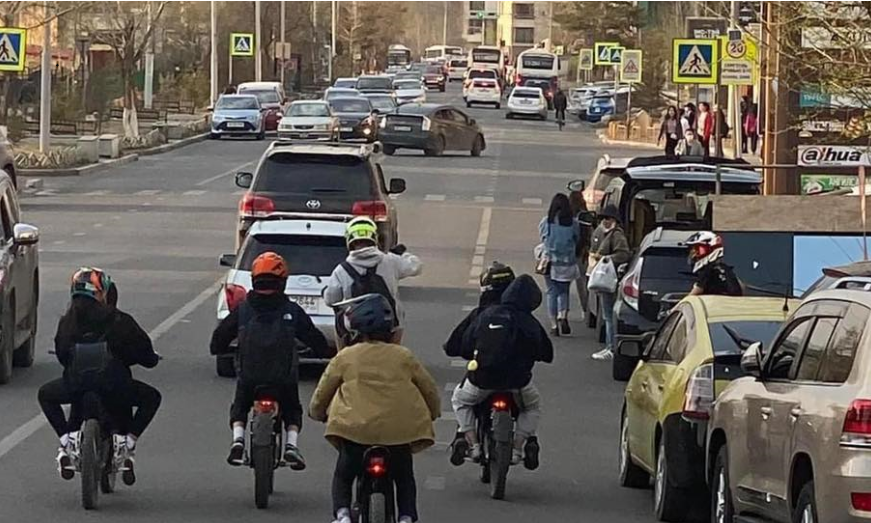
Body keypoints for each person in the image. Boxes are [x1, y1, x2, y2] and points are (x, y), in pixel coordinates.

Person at [309, 293, 440, 523]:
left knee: (343, 476)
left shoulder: (346, 356)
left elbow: (323, 392)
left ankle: (342, 515)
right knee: (404, 478)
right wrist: (434, 412)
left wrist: (317, 412)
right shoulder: (404, 356)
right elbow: (429, 389)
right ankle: (407, 517)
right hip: (399, 433)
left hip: (354, 432)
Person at [38, 268, 161, 484]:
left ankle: (67, 441)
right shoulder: (120, 320)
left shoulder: (67, 322)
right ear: (101, 293)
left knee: (46, 394)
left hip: (76, 385)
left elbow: (62, 355)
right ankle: (128, 443)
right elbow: (148, 358)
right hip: (115, 385)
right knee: (152, 397)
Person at [211, 252, 330, 469]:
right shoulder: (291, 310)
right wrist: (323, 353)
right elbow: (314, 338)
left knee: (240, 404)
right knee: (292, 408)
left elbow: (219, 338)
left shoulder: (244, 309)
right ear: (282, 282)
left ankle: (238, 440)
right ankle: (291, 446)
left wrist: (220, 349)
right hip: (282, 377)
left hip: (250, 375)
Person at [449, 274, 553, 467]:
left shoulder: (485, 315)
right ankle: (518, 447)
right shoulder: (529, 321)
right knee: (532, 407)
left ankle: (472, 443)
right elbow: (547, 353)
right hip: (518, 382)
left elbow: (463, 344)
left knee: (460, 401)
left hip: (482, 379)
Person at [324, 217, 422, 345]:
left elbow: (331, 300)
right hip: (389, 325)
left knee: (339, 322)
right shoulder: (390, 260)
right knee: (397, 346)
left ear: (349, 240)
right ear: (374, 238)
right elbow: (416, 266)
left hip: (355, 327)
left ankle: (341, 355)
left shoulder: (341, 270)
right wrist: (401, 254)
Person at [589, 205, 631, 361]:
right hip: (602, 277)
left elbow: (624, 254)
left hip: (609, 278)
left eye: (608, 218)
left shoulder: (617, 235)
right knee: (607, 314)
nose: (605, 221)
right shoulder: (600, 232)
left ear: (615, 220)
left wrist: (605, 259)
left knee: (609, 315)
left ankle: (611, 347)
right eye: (603, 218)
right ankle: (609, 346)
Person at [539, 193, 581, 336]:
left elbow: (543, 237)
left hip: (550, 263)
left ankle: (554, 325)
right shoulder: (573, 223)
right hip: (568, 263)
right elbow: (577, 238)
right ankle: (563, 316)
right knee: (564, 291)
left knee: (551, 292)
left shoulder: (547, 222)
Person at [686, 232, 743, 296]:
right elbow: (741, 286)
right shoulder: (726, 268)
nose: (694, 253)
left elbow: (697, 290)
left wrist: (683, 301)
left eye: (697, 248)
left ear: (710, 249)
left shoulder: (707, 270)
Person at [569, 191, 591, 320]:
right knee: (584, 280)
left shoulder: (569, 216)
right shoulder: (585, 215)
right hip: (585, 252)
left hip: (573, 252)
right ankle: (587, 308)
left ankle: (584, 308)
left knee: (578, 283)